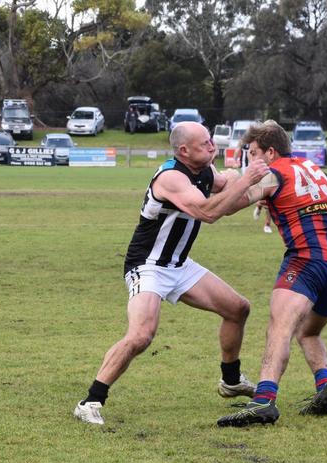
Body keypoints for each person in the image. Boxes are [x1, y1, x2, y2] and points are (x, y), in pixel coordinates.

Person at [73, 121, 270, 425]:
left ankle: (231, 381)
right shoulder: (171, 178)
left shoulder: (204, 171)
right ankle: (90, 401)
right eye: (205, 143)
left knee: (237, 308)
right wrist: (246, 180)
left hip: (178, 264)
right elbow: (208, 212)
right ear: (184, 150)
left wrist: (265, 184)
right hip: (148, 265)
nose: (212, 146)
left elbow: (225, 193)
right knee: (141, 335)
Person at [216, 120, 327, 427]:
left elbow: (230, 206)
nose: (250, 160)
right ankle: (324, 387)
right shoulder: (312, 168)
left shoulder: (273, 174)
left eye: (252, 153)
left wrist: (234, 181)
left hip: (306, 259)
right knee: (309, 331)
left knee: (279, 327)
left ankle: (263, 402)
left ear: (271, 152)